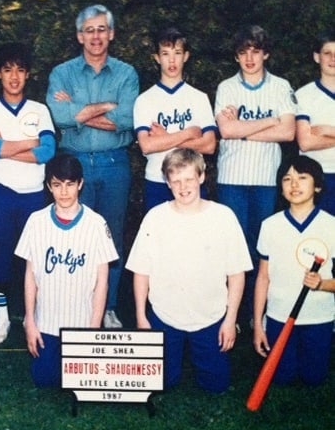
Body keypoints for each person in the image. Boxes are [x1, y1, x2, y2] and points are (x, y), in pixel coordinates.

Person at [125, 148, 252, 393]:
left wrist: (230, 319)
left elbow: (236, 274)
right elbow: (141, 271)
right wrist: (142, 316)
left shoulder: (223, 217)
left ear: (201, 177)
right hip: (165, 315)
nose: (183, 187)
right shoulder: (156, 217)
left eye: (189, 179)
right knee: (162, 383)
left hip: (210, 315)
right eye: (176, 181)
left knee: (217, 386)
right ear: (168, 183)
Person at [46, 4, 139, 328]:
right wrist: (105, 109)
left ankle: (109, 308)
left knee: (110, 238)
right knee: (75, 237)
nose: (96, 36)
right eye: (89, 30)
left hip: (115, 166)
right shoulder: (62, 73)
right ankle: (78, 308)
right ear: (79, 36)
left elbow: (129, 118)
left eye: (102, 29)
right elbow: (58, 117)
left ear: (111, 34)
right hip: (74, 166)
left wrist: (79, 113)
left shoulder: (127, 73)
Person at [214, 25, 296, 323]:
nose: (250, 58)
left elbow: (288, 133)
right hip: (231, 179)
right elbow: (226, 130)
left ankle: (257, 312)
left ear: (266, 54)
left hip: (264, 180)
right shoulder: (226, 88)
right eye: (243, 52)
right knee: (232, 247)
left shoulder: (281, 86)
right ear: (236, 56)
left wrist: (243, 131)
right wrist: (269, 120)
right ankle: (230, 312)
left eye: (256, 51)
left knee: (262, 248)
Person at [15, 154, 118, 387]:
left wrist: (94, 329)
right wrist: (30, 321)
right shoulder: (36, 221)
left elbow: (102, 283)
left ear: (80, 184)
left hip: (81, 323)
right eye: (57, 185)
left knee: (78, 382)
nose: (64, 192)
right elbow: (30, 276)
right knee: (45, 379)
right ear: (48, 186)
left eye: (70, 184)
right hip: (47, 324)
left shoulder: (96, 224)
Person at [0, 42, 56, 344]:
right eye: (7, 70)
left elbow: (48, 151)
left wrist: (7, 145)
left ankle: (30, 316)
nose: (14, 77)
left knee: (33, 259)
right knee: (0, 256)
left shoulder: (39, 110)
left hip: (33, 196)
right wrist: (29, 142)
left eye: (20, 70)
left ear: (28, 75)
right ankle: (1, 316)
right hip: (1, 193)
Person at [253, 155, 335, 386]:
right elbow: (262, 277)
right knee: (283, 378)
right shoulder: (270, 226)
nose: (294, 184)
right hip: (279, 316)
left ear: (317, 185)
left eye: (302, 177)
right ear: (280, 188)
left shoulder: (331, 225)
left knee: (314, 379)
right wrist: (259, 324)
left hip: (319, 317)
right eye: (287, 179)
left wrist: (322, 284)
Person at [133, 26, 217, 211]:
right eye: (165, 53)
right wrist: (187, 133)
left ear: (186, 56)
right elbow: (147, 146)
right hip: (158, 180)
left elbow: (210, 145)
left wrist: (165, 137)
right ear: (157, 58)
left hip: (192, 181)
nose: (172, 60)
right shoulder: (145, 100)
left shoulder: (199, 98)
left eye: (177, 53)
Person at [296, 33, 335, 215]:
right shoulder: (303, 95)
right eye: (327, 53)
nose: (333, 59)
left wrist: (328, 130)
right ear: (316, 57)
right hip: (317, 178)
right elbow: (306, 143)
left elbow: (314, 139)